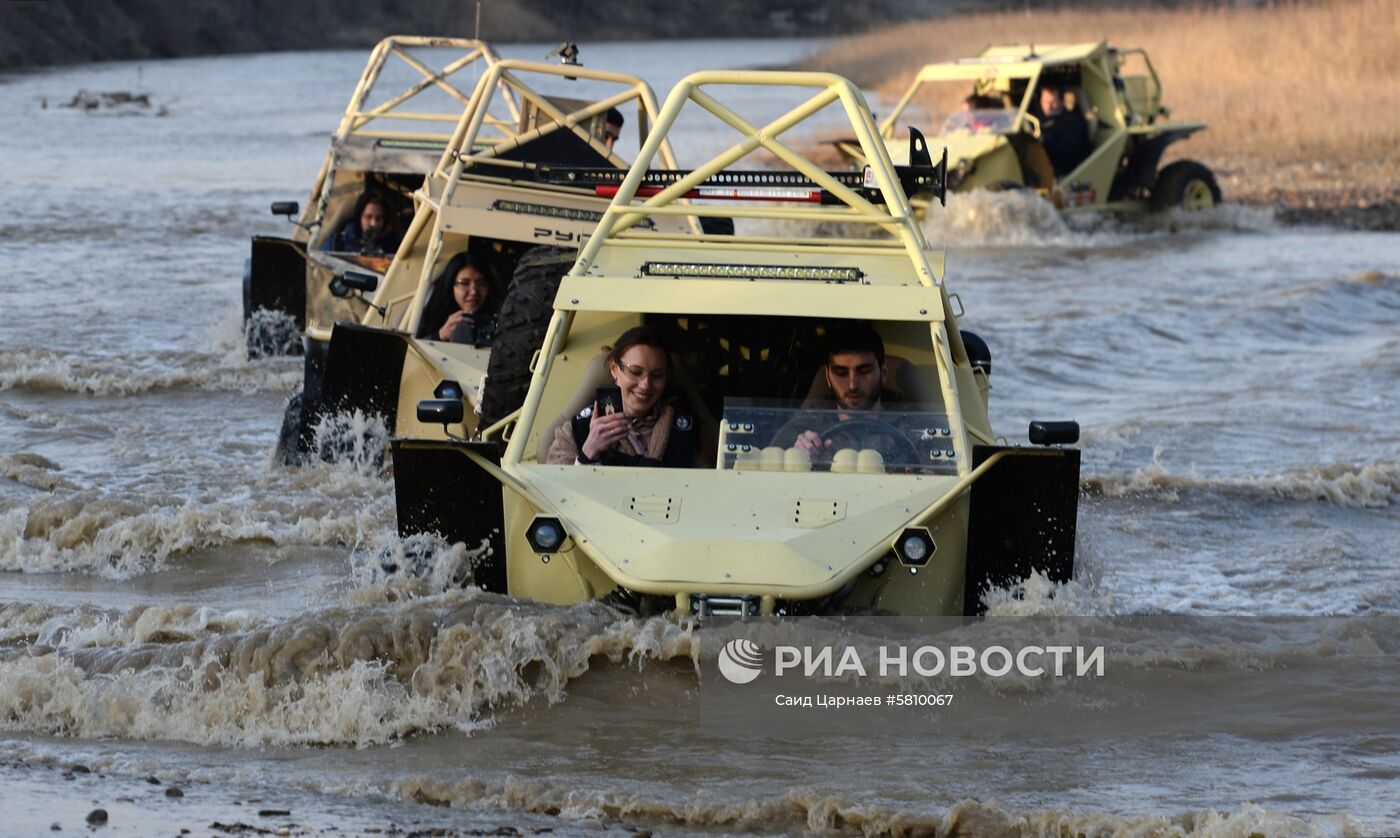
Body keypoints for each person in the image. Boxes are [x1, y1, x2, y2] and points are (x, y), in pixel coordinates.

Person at [546, 326, 699, 467]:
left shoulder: (687, 429)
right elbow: (551, 489)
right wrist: (588, 452)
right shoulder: (578, 430)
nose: (646, 385)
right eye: (635, 372)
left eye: (657, 375)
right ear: (614, 369)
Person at [781, 322, 905, 465]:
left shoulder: (910, 423)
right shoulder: (806, 424)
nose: (852, 384)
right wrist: (798, 457)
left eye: (864, 371)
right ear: (827, 376)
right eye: (841, 373)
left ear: (883, 372)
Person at [414, 253, 499, 346]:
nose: (474, 291)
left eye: (481, 283)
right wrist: (440, 335)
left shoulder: (501, 316)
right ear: (450, 285)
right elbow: (412, 350)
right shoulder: (430, 316)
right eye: (464, 283)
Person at [1036, 83, 1092, 178]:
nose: (1049, 106)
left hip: (1064, 172)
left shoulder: (1072, 121)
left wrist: (1044, 140)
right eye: (1045, 102)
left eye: (1053, 102)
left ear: (1062, 102)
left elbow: (1068, 150)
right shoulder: (1038, 119)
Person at [323, 192, 400, 255]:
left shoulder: (394, 247)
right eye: (368, 217)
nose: (373, 224)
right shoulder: (337, 243)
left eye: (379, 218)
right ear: (359, 217)